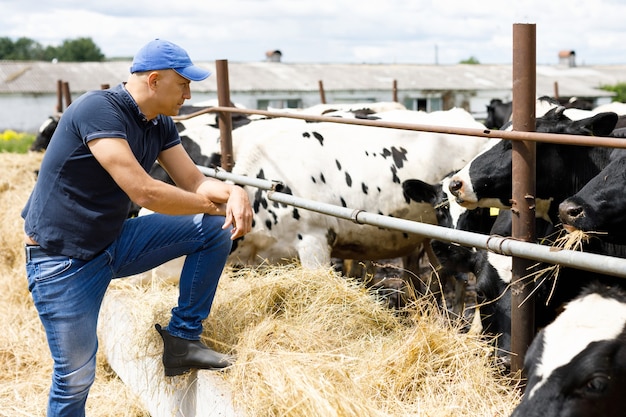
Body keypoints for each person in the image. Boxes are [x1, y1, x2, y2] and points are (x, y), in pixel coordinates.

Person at [21, 38, 253, 417]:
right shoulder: (99, 110)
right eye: (183, 84)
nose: (188, 94)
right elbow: (144, 192)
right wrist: (215, 202)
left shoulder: (158, 124)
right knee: (75, 377)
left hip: (113, 241)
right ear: (155, 80)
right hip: (62, 261)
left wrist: (232, 192)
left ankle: (182, 339)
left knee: (213, 227)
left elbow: (193, 182)